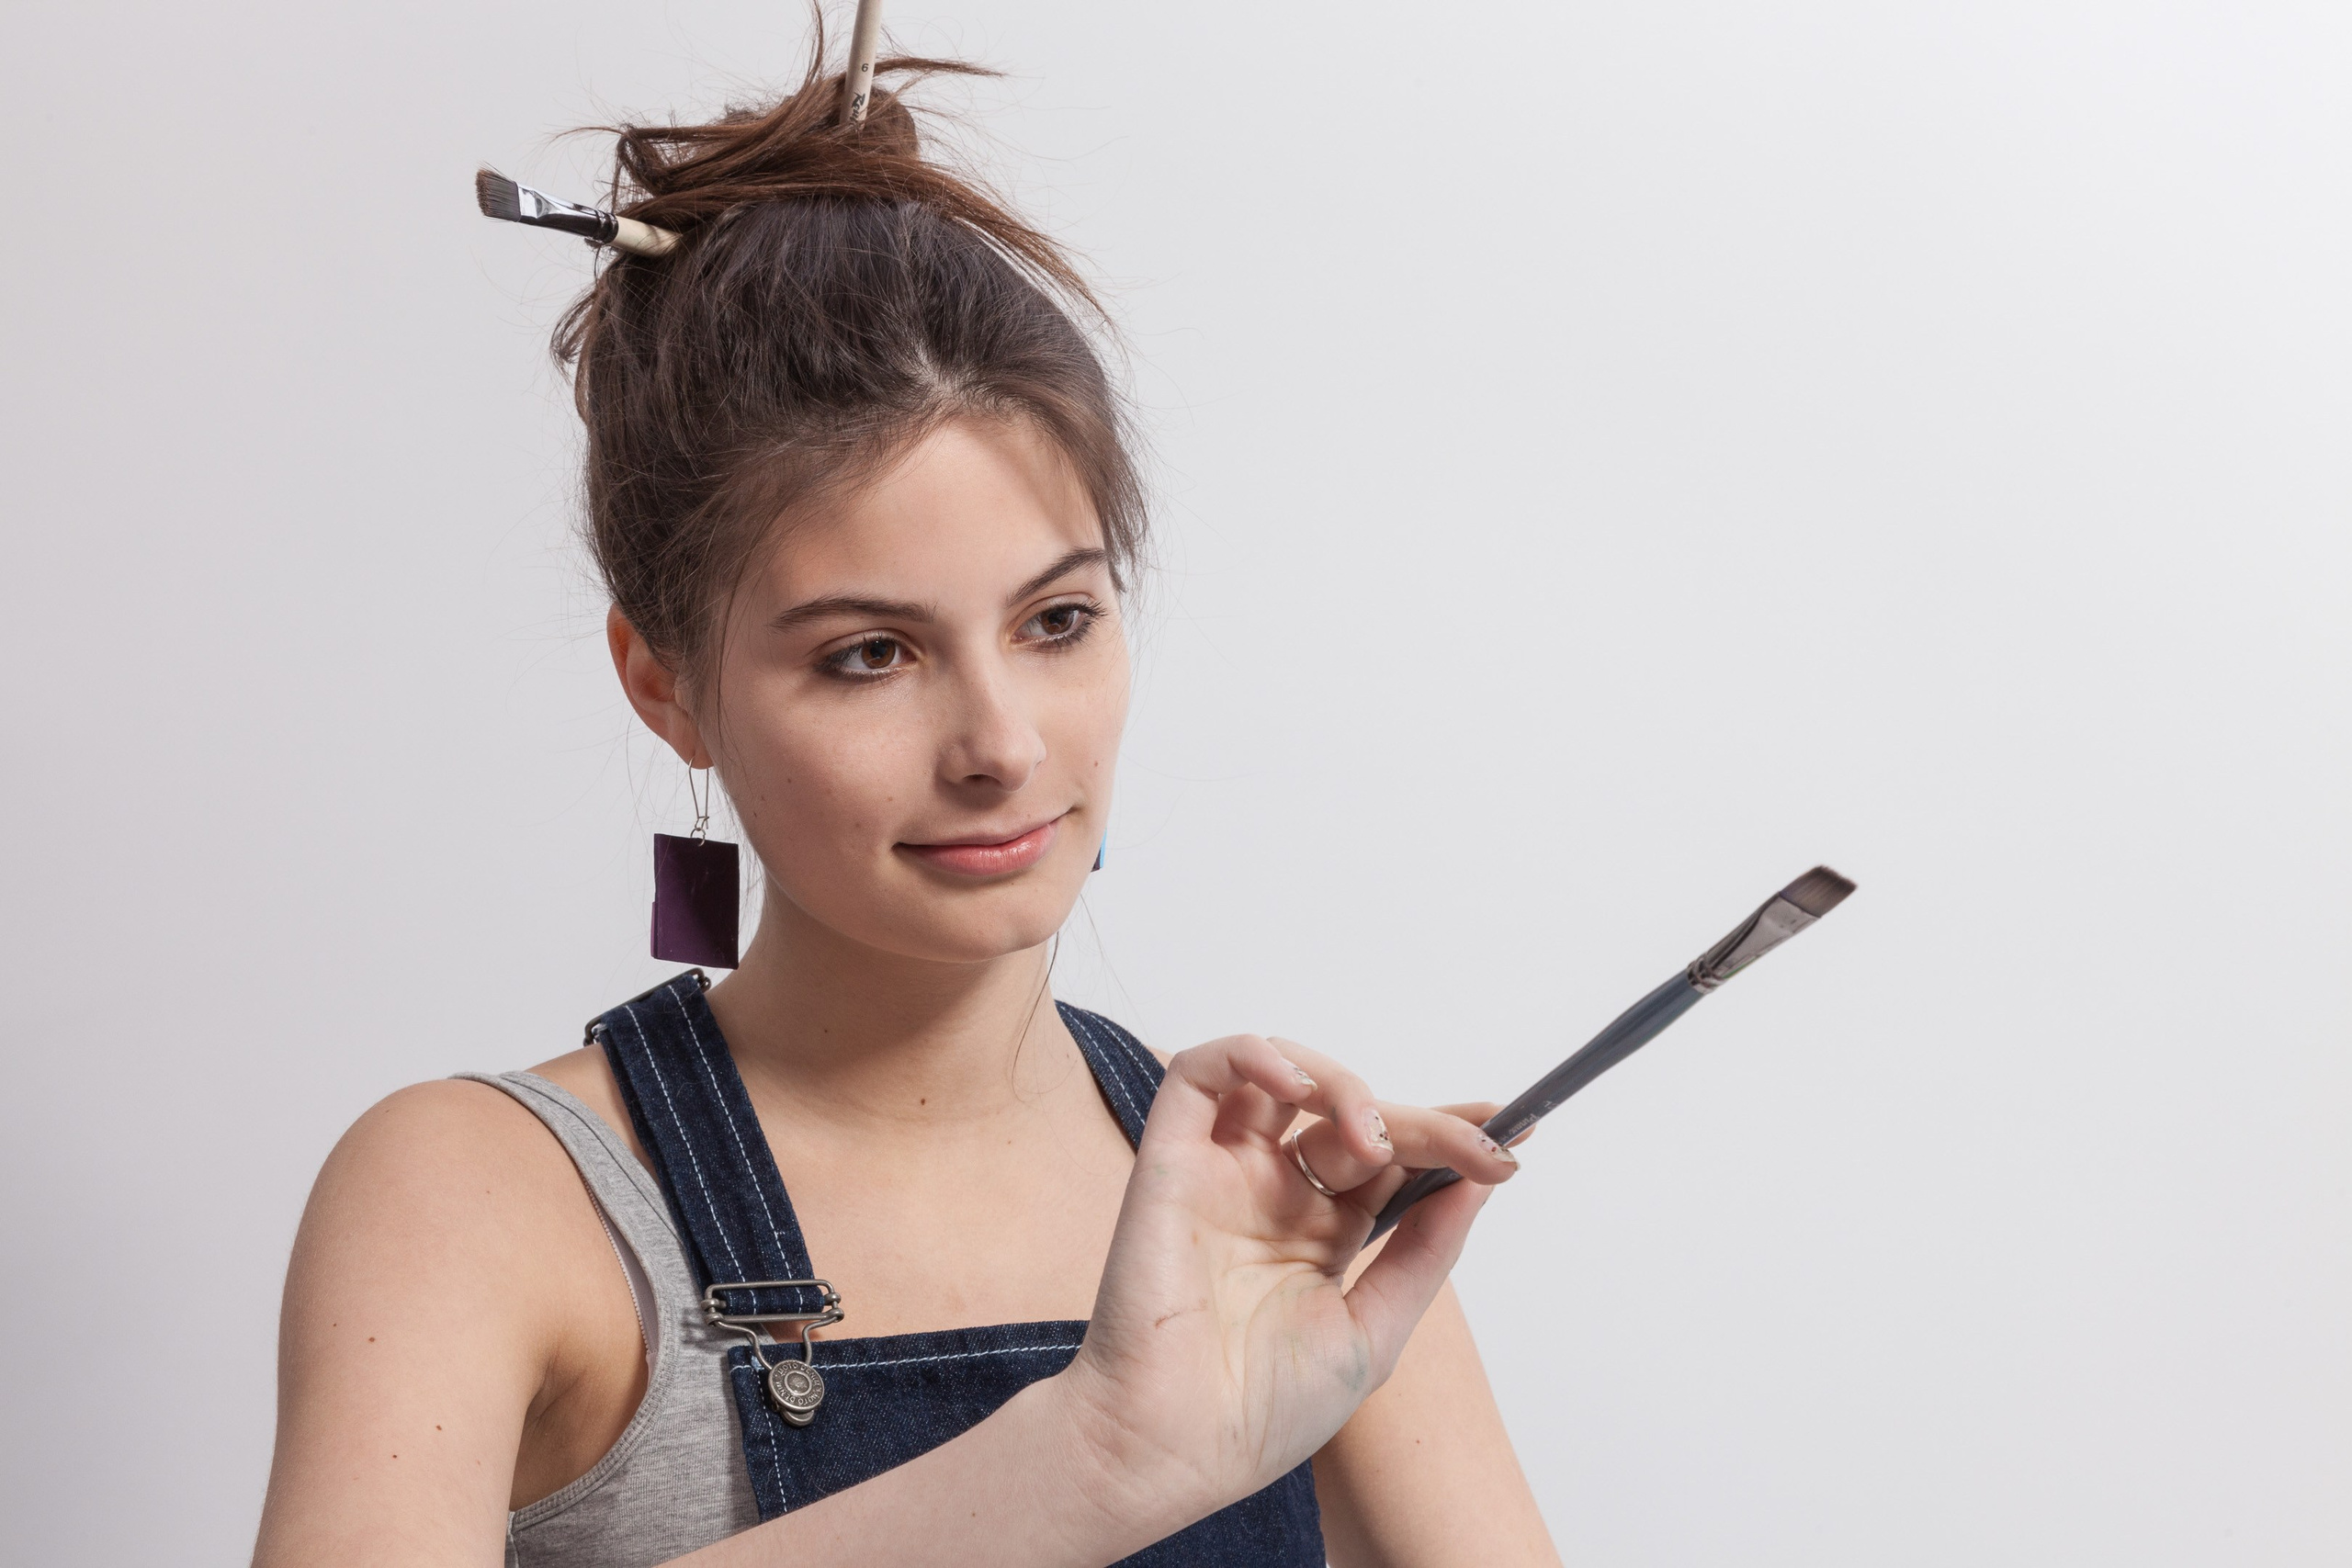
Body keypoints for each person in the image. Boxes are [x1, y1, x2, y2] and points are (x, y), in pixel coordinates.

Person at [253, 42, 1559, 1568]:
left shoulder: (1275, 1223)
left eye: (1056, 622)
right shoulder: (482, 1196)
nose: (1000, 744)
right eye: (871, 654)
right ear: (666, 681)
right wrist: (1090, 1462)